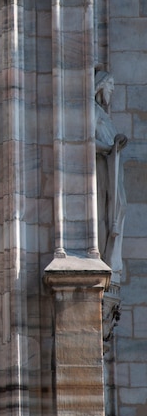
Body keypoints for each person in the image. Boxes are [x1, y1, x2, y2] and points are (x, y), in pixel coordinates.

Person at [95, 70, 127, 274]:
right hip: (102, 168)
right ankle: (106, 256)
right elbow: (85, 140)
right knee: (115, 206)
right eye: (111, 85)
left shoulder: (103, 114)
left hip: (112, 165)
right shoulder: (93, 111)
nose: (113, 90)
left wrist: (117, 143)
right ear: (100, 86)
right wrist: (109, 148)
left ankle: (112, 259)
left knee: (121, 206)